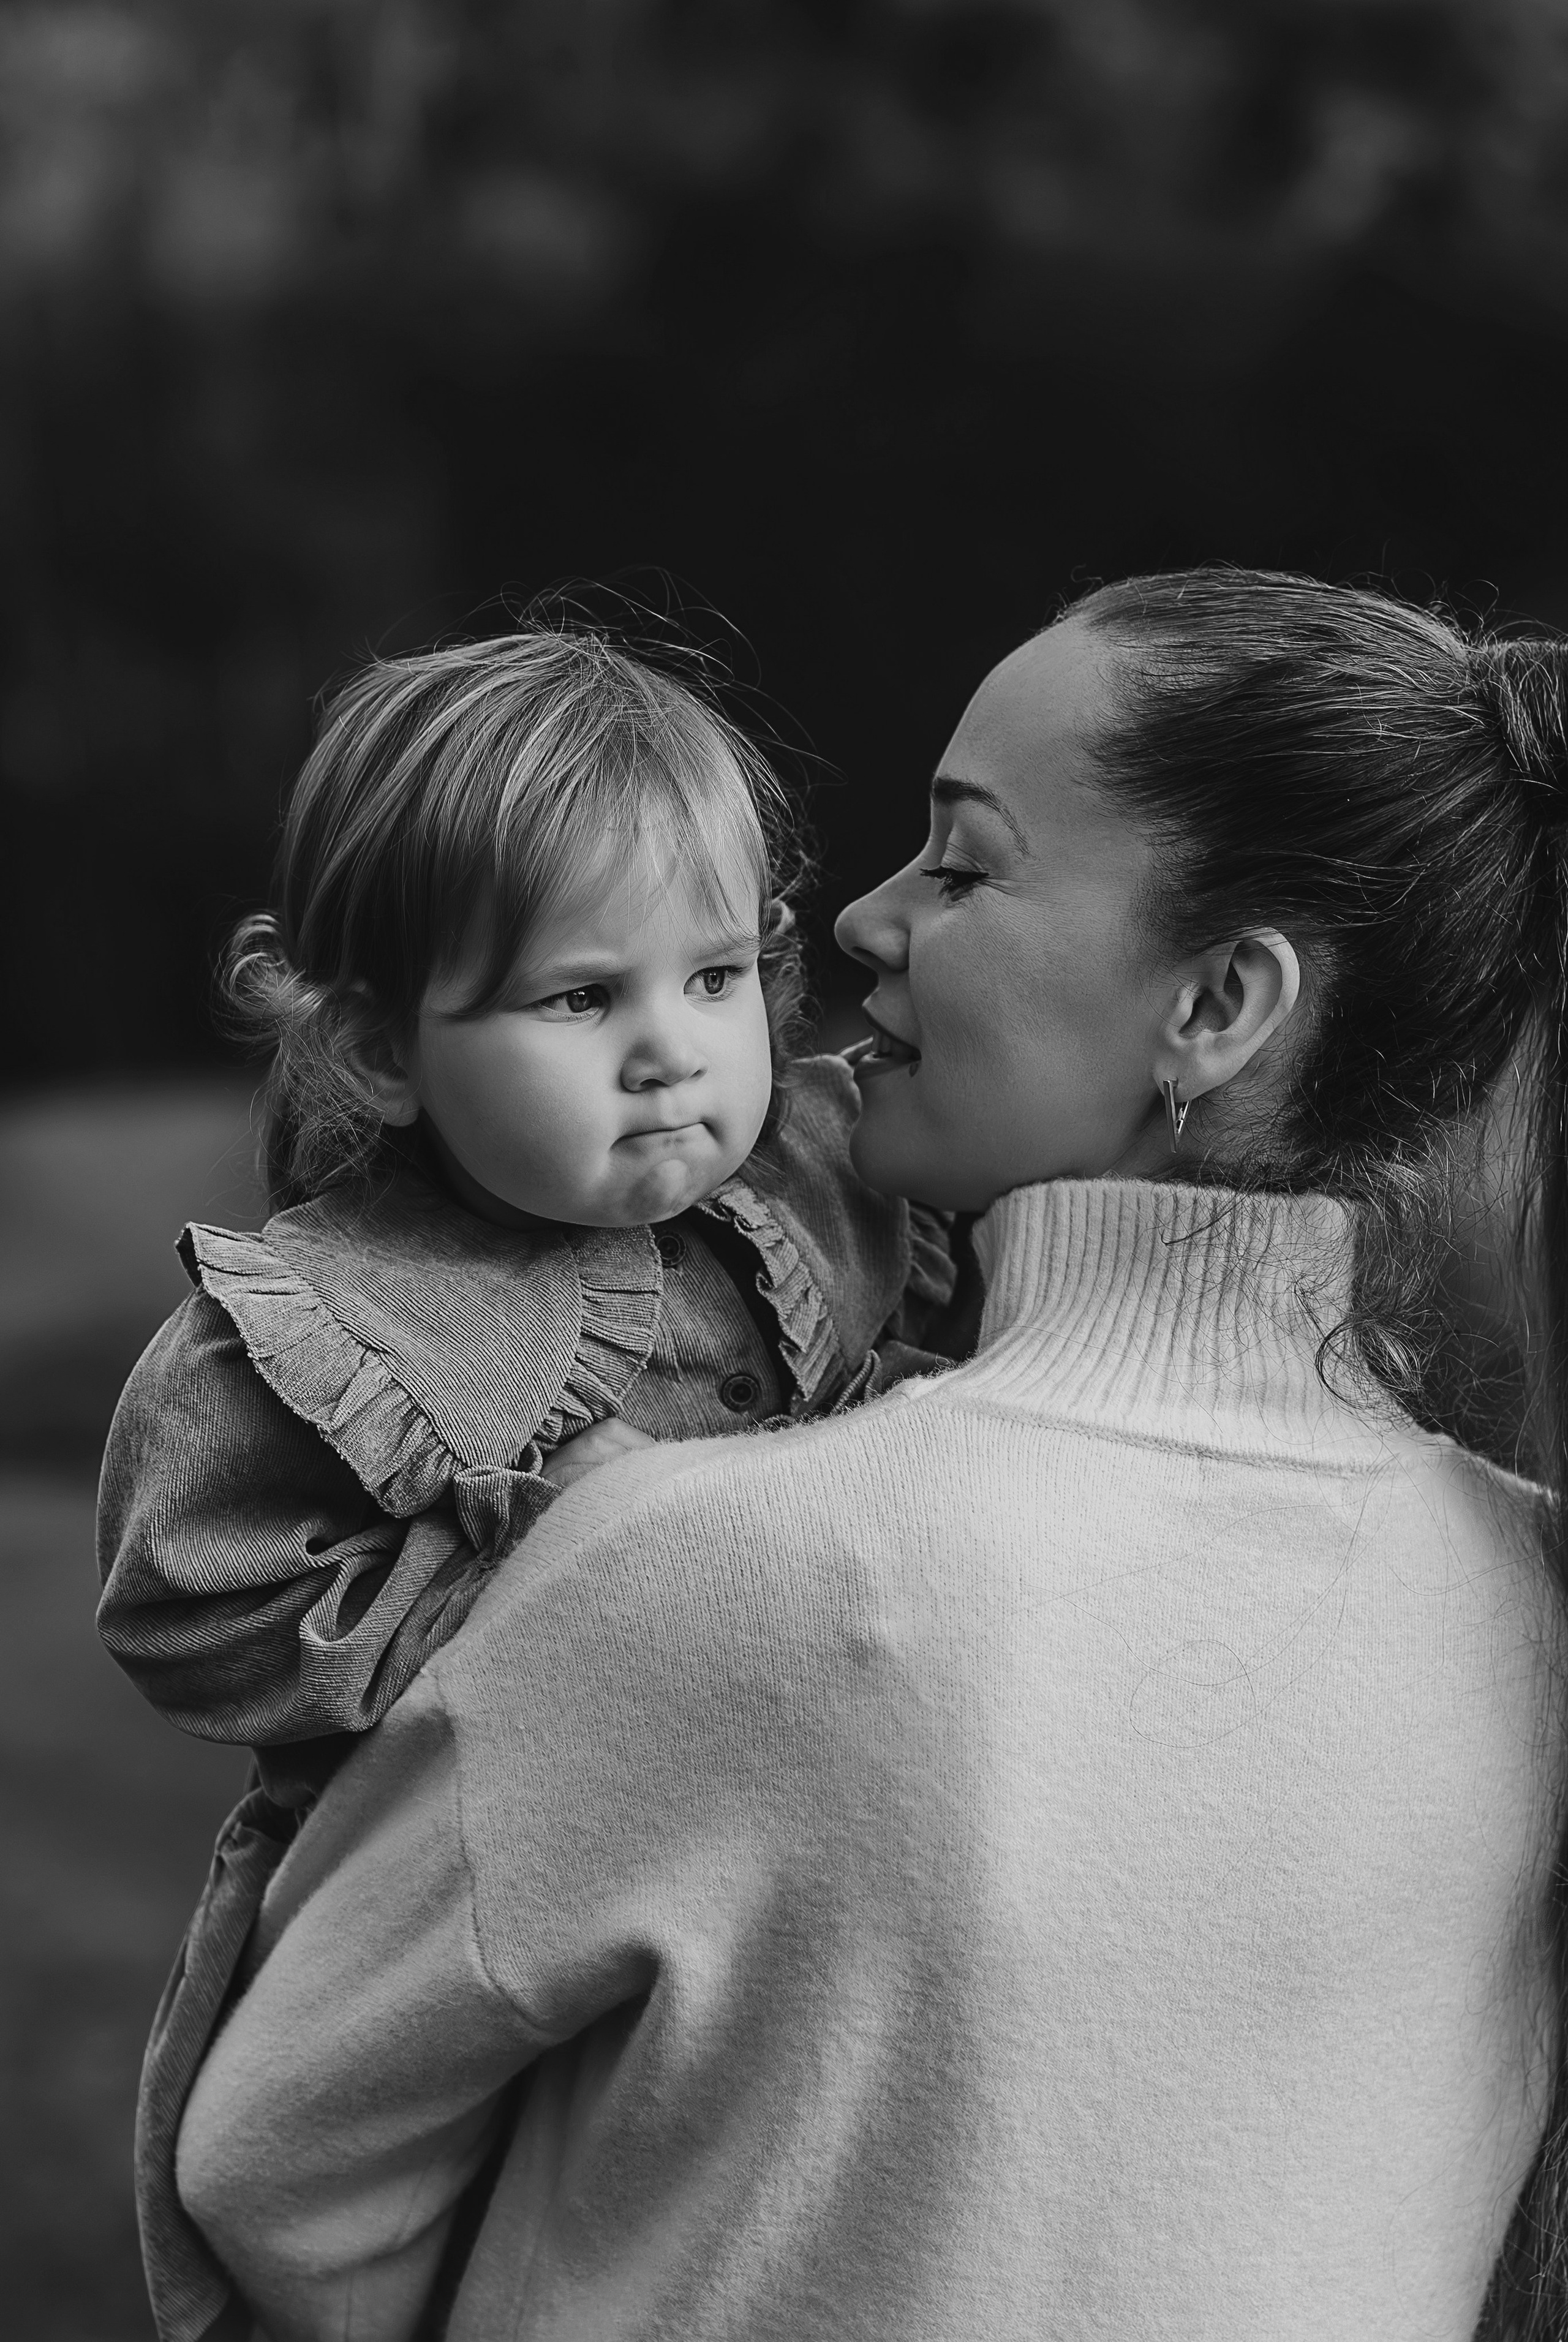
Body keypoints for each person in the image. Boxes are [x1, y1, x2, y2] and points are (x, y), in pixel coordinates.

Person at [176, 570, 1568, 2341]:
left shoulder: (722, 1562)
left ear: (1220, 1002)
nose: (854, 924)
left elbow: (275, 2168)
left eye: (968, 864)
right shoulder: (1531, 1603)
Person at [94, 627, 955, 2342]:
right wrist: (533, 1563)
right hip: (453, 1890)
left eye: (715, 978)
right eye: (581, 998)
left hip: (770, 1864)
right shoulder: (339, 1309)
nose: (673, 1052)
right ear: (377, 1047)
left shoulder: (828, 1184)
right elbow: (193, 1604)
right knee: (436, 2258)